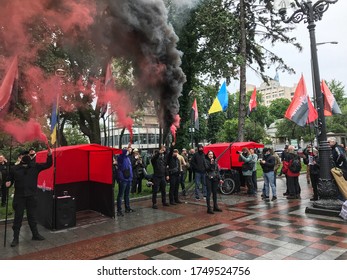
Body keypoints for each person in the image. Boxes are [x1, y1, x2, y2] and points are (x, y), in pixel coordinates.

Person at [5, 148, 52, 247]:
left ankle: (35, 235)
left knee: (32, 216)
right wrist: (8, 183)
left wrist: (49, 155)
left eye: (28, 155)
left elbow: (48, 165)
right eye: (24, 155)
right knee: (18, 217)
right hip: (20, 197)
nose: (26, 156)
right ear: (20, 157)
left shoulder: (35, 167)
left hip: (31, 196)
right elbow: (9, 179)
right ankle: (15, 238)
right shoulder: (14, 169)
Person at [116, 145, 135, 216]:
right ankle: (119, 210)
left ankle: (127, 208)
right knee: (120, 195)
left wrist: (131, 177)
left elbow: (130, 168)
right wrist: (126, 149)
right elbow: (123, 153)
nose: (129, 150)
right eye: (127, 150)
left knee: (127, 195)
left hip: (128, 179)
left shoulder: (128, 158)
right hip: (123, 179)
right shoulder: (120, 157)